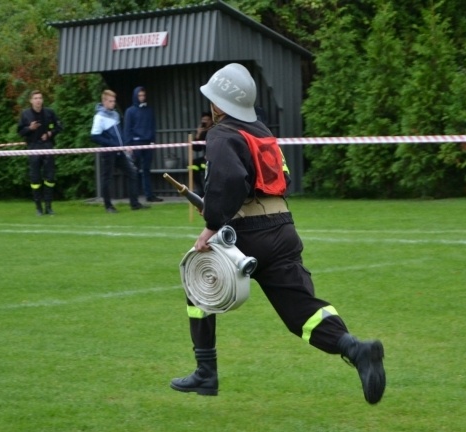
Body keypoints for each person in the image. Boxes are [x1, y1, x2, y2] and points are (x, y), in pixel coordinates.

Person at [170, 63, 386, 405]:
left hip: (246, 234)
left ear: (219, 104)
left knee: (197, 284)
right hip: (282, 228)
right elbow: (271, 179)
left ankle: (205, 372)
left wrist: (211, 224)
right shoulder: (262, 132)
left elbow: (230, 180)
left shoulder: (221, 134)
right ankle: (355, 348)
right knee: (302, 312)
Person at [90, 89, 146, 213]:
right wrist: (111, 143)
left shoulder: (115, 114)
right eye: (110, 101)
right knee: (107, 179)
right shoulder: (99, 117)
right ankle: (108, 206)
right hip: (108, 152)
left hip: (119, 151)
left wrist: (125, 146)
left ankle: (134, 204)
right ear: (104, 101)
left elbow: (119, 134)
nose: (113, 103)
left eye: (114, 101)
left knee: (132, 173)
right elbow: (94, 136)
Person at [17, 90, 63, 215]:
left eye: (40, 98)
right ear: (31, 101)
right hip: (33, 147)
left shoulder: (49, 112)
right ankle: (38, 207)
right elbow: (20, 131)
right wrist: (30, 128)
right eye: (36, 98)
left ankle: (48, 206)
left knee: (50, 177)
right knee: (35, 178)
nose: (38, 100)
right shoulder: (26, 114)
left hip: (47, 146)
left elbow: (59, 126)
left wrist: (50, 133)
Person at [124, 86, 162, 202]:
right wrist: (128, 145)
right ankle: (134, 197)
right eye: (140, 95)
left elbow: (152, 126)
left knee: (146, 169)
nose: (142, 97)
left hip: (148, 143)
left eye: (143, 95)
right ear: (135, 96)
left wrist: (153, 141)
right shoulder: (130, 111)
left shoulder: (149, 110)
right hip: (136, 143)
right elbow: (127, 129)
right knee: (134, 170)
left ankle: (149, 195)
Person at [190, 111, 213, 195]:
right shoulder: (202, 132)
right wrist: (198, 135)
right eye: (203, 120)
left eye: (207, 120)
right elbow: (196, 148)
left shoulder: (215, 130)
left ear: (211, 120)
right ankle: (200, 189)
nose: (205, 122)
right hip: (205, 158)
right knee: (193, 164)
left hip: (214, 158)